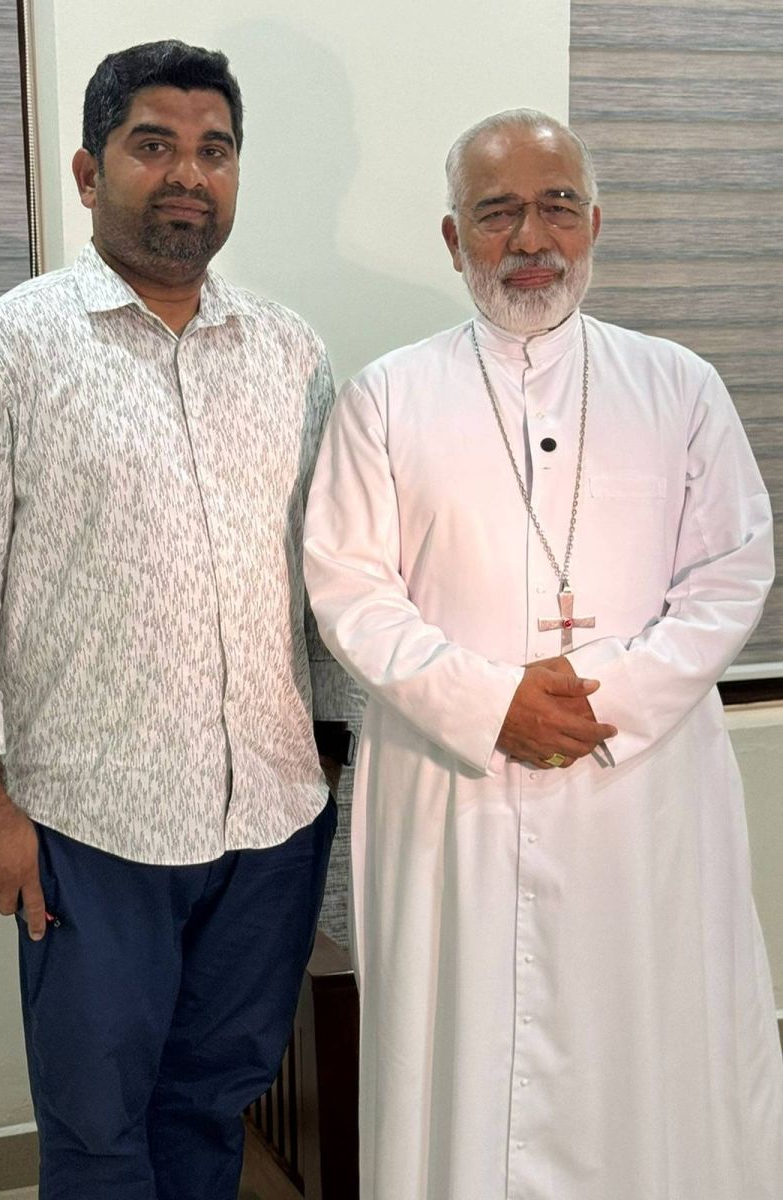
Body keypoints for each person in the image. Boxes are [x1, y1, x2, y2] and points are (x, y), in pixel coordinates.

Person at [0, 39, 354, 1200]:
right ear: (90, 172)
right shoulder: (1, 351)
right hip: (91, 828)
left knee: (214, 1095)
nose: (188, 174)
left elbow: (329, 579)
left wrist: (347, 772)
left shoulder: (292, 353)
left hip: (271, 819)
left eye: (215, 150)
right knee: (97, 1126)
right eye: (154, 145)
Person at [303, 109, 783, 1200]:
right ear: (452, 238)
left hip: (643, 788)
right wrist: (491, 706)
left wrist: (608, 701)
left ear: (595, 222)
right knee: (464, 1052)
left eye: (557, 204)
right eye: (497, 212)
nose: (531, 237)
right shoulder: (388, 397)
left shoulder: (680, 385)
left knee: (646, 1040)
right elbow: (350, 588)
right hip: (455, 786)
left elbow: (731, 571)